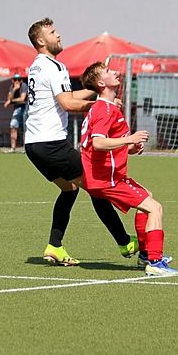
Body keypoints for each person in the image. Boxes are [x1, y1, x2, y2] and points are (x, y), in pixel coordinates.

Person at [24, 17, 138, 266]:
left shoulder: (38, 66)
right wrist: (101, 104)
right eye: (52, 32)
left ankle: (54, 246)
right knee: (96, 186)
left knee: (70, 189)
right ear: (41, 41)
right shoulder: (53, 66)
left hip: (34, 145)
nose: (58, 35)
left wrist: (96, 90)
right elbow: (67, 103)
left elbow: (68, 95)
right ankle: (124, 241)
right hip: (52, 143)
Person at [80, 62, 178, 276]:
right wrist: (130, 139)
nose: (115, 72)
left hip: (107, 176)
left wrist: (131, 147)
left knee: (147, 198)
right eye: (108, 72)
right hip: (106, 179)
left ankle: (145, 255)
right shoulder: (105, 109)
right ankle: (155, 262)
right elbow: (98, 143)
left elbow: (109, 146)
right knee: (155, 209)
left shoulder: (105, 108)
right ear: (101, 83)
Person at [3, 73, 26, 151]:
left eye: (19, 79)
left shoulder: (24, 86)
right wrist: (14, 89)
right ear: (12, 80)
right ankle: (13, 148)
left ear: (21, 80)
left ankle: (25, 148)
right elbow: (9, 97)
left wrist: (11, 101)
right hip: (17, 108)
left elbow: (22, 99)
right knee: (13, 126)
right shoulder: (12, 87)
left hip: (26, 107)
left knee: (26, 128)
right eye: (15, 79)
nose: (17, 81)